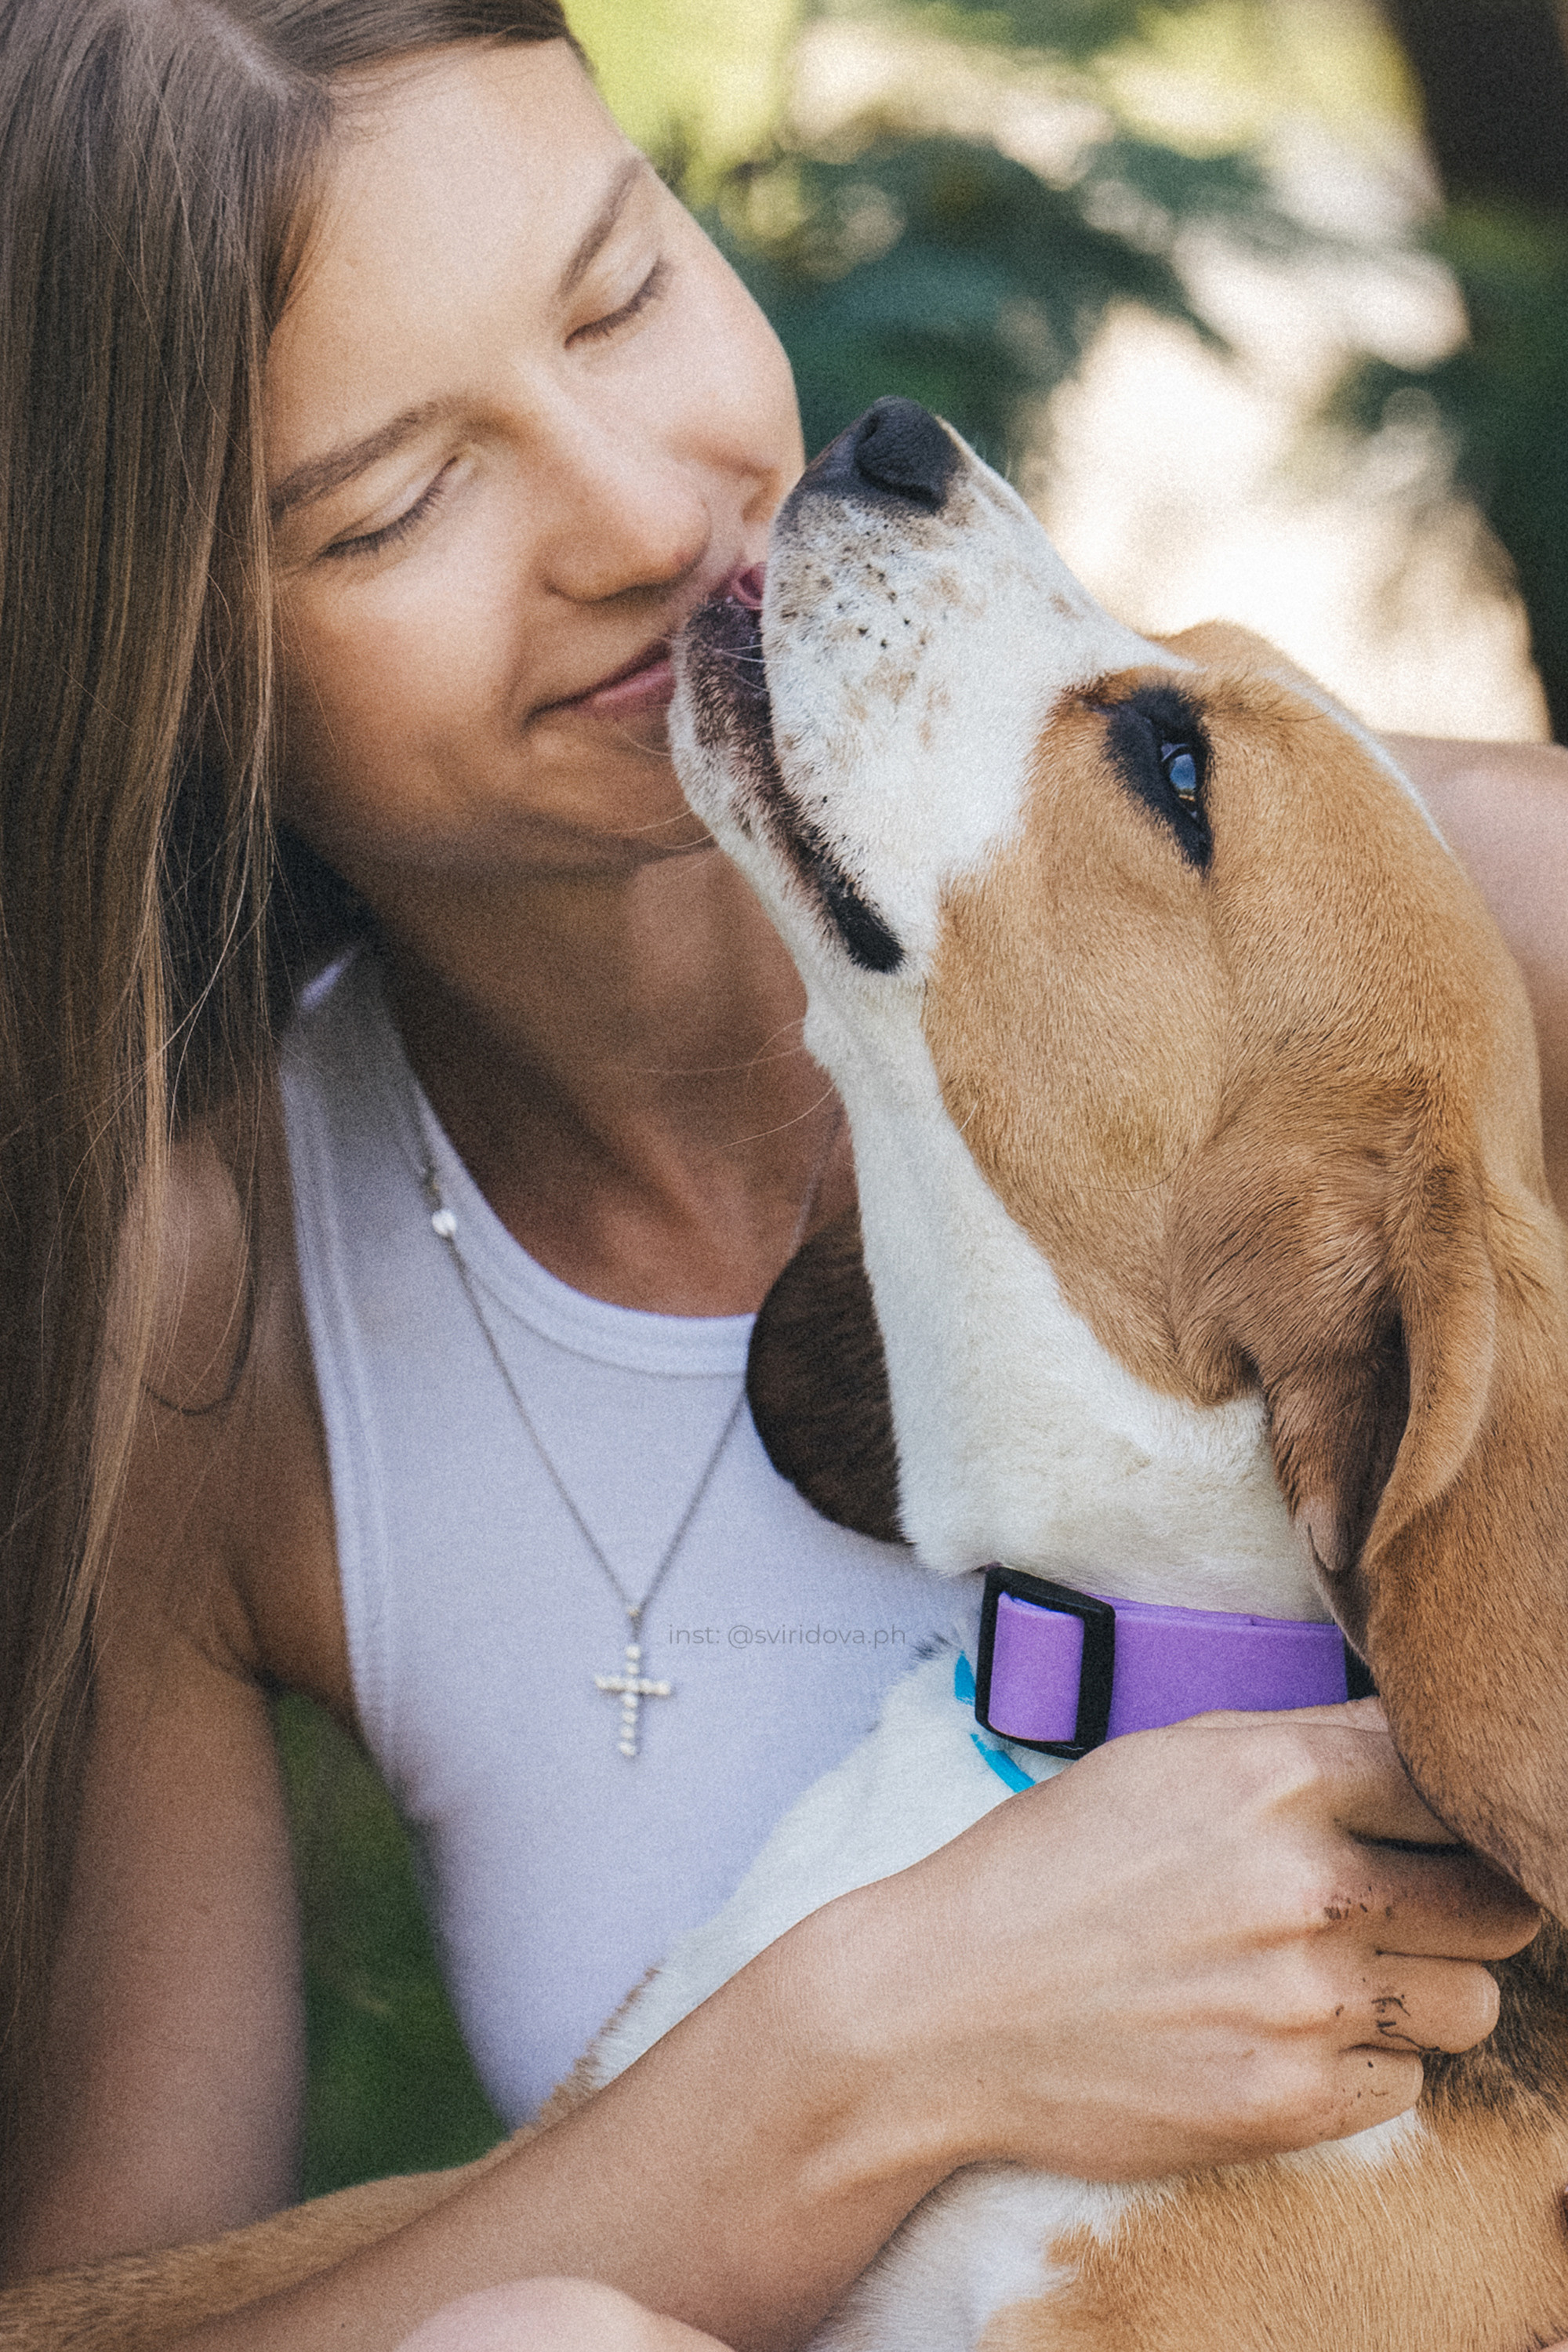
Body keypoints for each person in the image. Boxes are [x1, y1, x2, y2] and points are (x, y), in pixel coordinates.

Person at [0, 6, 1564, 2349]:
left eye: (623, 284)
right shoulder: (207, 1309)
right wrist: (875, 2032)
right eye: (396, 502)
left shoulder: (1464, 948)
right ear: (162, 671)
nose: (648, 521)